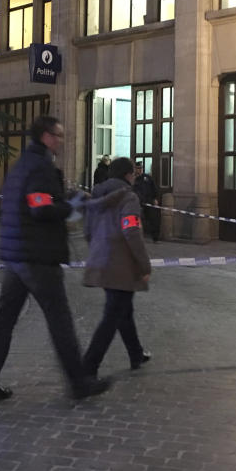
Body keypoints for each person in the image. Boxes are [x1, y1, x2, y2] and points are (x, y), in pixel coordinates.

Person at [0, 116, 110, 403]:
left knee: (3, 320)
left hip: (17, 256)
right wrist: (70, 206)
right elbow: (40, 208)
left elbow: (34, 202)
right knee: (59, 319)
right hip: (36, 256)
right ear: (46, 136)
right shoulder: (40, 166)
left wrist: (63, 198)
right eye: (58, 135)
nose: (62, 140)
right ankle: (79, 382)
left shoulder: (22, 165)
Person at [82, 157, 152, 377]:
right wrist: (144, 264)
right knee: (112, 316)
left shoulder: (97, 194)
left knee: (123, 310)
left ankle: (136, 353)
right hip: (120, 264)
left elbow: (87, 230)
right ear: (128, 175)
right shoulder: (129, 197)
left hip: (101, 259)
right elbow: (131, 230)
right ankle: (88, 366)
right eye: (133, 173)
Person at [132, 161, 160, 242]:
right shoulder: (133, 179)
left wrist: (155, 198)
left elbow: (153, 188)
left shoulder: (147, 178)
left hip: (148, 201)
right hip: (138, 202)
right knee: (137, 219)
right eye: (138, 168)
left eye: (140, 168)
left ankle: (155, 237)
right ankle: (137, 236)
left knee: (153, 218)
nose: (139, 170)